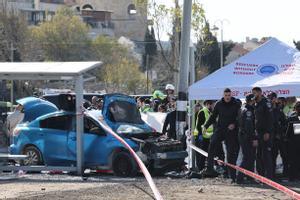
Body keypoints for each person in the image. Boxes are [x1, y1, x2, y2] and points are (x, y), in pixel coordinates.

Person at [202, 88, 240, 182]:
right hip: (220, 129)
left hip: (231, 131)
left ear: (231, 95)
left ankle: (232, 176)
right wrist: (205, 126)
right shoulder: (219, 103)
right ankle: (209, 168)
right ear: (223, 95)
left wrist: (234, 124)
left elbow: (240, 117)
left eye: (229, 95)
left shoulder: (236, 103)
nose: (227, 97)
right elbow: (213, 116)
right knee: (213, 142)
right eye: (226, 95)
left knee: (230, 153)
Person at [252, 87, 274, 179]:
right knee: (258, 155)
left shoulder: (266, 103)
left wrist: (267, 132)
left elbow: (270, 119)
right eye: (253, 93)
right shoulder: (255, 103)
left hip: (265, 132)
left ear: (260, 93)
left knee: (266, 155)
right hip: (257, 132)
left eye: (255, 93)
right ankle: (261, 176)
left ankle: (269, 176)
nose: (254, 95)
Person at [237, 94, 257, 184]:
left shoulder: (242, 108)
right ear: (251, 100)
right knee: (248, 157)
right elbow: (249, 126)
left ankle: (249, 177)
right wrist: (254, 138)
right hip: (247, 136)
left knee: (250, 157)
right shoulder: (248, 110)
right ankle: (240, 177)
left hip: (243, 135)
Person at [268, 92, 288, 177]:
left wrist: (281, 132)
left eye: (272, 98)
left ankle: (286, 174)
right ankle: (271, 174)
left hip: (281, 137)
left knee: (285, 156)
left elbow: (284, 123)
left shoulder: (279, 109)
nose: (271, 99)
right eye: (270, 98)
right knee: (272, 157)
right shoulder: (267, 109)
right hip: (272, 137)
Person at [193, 100, 215, 171]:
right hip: (201, 137)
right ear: (208, 104)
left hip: (208, 137)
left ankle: (204, 168)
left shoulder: (210, 112)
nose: (214, 106)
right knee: (201, 155)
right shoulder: (202, 112)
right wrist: (200, 135)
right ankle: (200, 169)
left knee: (205, 154)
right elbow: (199, 125)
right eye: (213, 105)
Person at [286, 102, 300, 181]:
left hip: (293, 142)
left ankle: (294, 176)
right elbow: (296, 132)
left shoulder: (292, 118)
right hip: (294, 143)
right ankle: (293, 176)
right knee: (293, 160)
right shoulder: (294, 119)